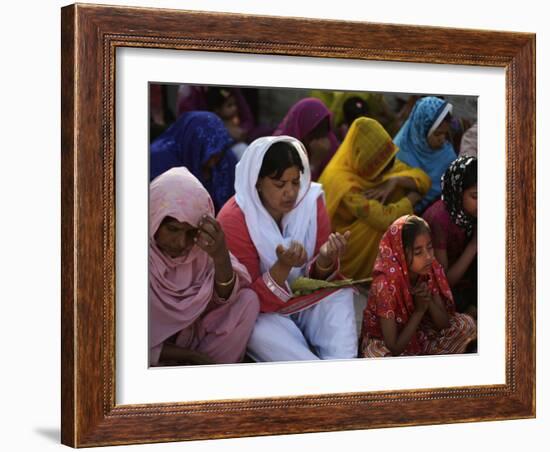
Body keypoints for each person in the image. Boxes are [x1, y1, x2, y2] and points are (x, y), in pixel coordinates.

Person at [217, 136, 358, 362]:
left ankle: (343, 365)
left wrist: (324, 260)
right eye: (280, 184)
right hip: (264, 313)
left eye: (295, 182)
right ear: (257, 182)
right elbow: (246, 298)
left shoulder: (311, 201)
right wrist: (283, 266)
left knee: (339, 297)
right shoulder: (234, 219)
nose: (291, 193)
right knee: (254, 330)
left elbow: (317, 279)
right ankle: (315, 376)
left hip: (304, 298)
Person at [149, 167, 259, 366]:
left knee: (248, 301)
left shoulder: (199, 249)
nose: (181, 243)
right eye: (172, 229)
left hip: (196, 341)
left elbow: (223, 299)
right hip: (155, 356)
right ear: (154, 218)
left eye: (190, 232)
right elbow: (129, 341)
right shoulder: (129, 259)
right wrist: (190, 357)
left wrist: (220, 255)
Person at [319, 117, 431, 280]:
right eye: (381, 171)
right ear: (366, 162)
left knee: (398, 187)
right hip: (340, 243)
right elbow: (383, 218)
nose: (385, 174)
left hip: (363, 224)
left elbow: (424, 179)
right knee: (375, 227)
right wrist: (412, 198)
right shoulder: (345, 184)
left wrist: (395, 180)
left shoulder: (379, 160)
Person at [361, 215, 477, 357]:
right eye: (418, 252)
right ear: (400, 253)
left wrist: (427, 302)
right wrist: (419, 311)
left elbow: (444, 324)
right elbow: (394, 347)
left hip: (420, 330)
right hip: (388, 342)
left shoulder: (429, 268)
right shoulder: (384, 285)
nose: (428, 256)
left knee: (465, 325)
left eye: (429, 247)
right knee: (381, 357)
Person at [149, 111, 237, 212]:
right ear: (194, 145)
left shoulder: (225, 158)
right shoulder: (160, 160)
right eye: (209, 154)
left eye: (218, 153)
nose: (214, 162)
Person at [423, 156, 477, 315]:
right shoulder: (439, 220)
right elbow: (444, 282)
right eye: (475, 196)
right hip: (436, 294)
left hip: (466, 281)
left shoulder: (470, 214)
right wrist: (474, 245)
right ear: (457, 192)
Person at [394, 96, 457, 213]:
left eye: (445, 134)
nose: (442, 139)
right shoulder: (401, 150)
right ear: (421, 130)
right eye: (437, 134)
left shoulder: (448, 156)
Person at [273, 97, 340, 181]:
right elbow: (294, 191)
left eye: (324, 130)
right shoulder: (281, 149)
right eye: (315, 133)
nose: (320, 140)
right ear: (301, 128)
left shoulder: (330, 143)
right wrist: (314, 163)